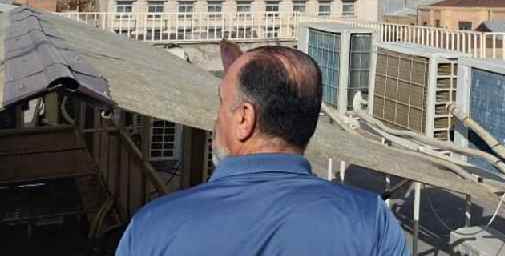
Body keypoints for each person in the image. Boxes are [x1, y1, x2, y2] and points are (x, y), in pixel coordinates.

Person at [116, 43, 409, 256]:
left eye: (221, 103)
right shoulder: (371, 221)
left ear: (244, 119)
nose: (217, 117)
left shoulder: (154, 227)